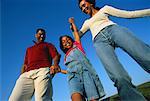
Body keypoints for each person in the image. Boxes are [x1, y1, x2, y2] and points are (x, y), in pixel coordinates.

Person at [71, 0, 150, 100]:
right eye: (81, 8)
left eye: (84, 5)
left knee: (145, 56)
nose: (83, 9)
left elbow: (130, 14)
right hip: (99, 42)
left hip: (113, 30)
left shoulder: (105, 9)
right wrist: (73, 26)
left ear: (91, 3)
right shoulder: (87, 22)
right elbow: (78, 36)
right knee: (118, 77)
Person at [59, 18, 105, 101]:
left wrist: (72, 23)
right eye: (63, 41)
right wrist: (60, 70)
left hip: (86, 74)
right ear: (63, 46)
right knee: (76, 97)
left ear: (71, 40)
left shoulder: (77, 45)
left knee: (93, 98)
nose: (66, 41)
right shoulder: (65, 57)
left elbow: (76, 34)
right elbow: (69, 71)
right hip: (73, 77)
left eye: (68, 39)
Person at [9, 28, 61, 101]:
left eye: (43, 34)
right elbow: (25, 65)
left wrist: (55, 65)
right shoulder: (29, 49)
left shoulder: (48, 45)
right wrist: (22, 75)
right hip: (27, 74)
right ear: (36, 35)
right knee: (14, 99)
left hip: (42, 71)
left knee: (41, 99)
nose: (42, 36)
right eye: (40, 34)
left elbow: (56, 56)